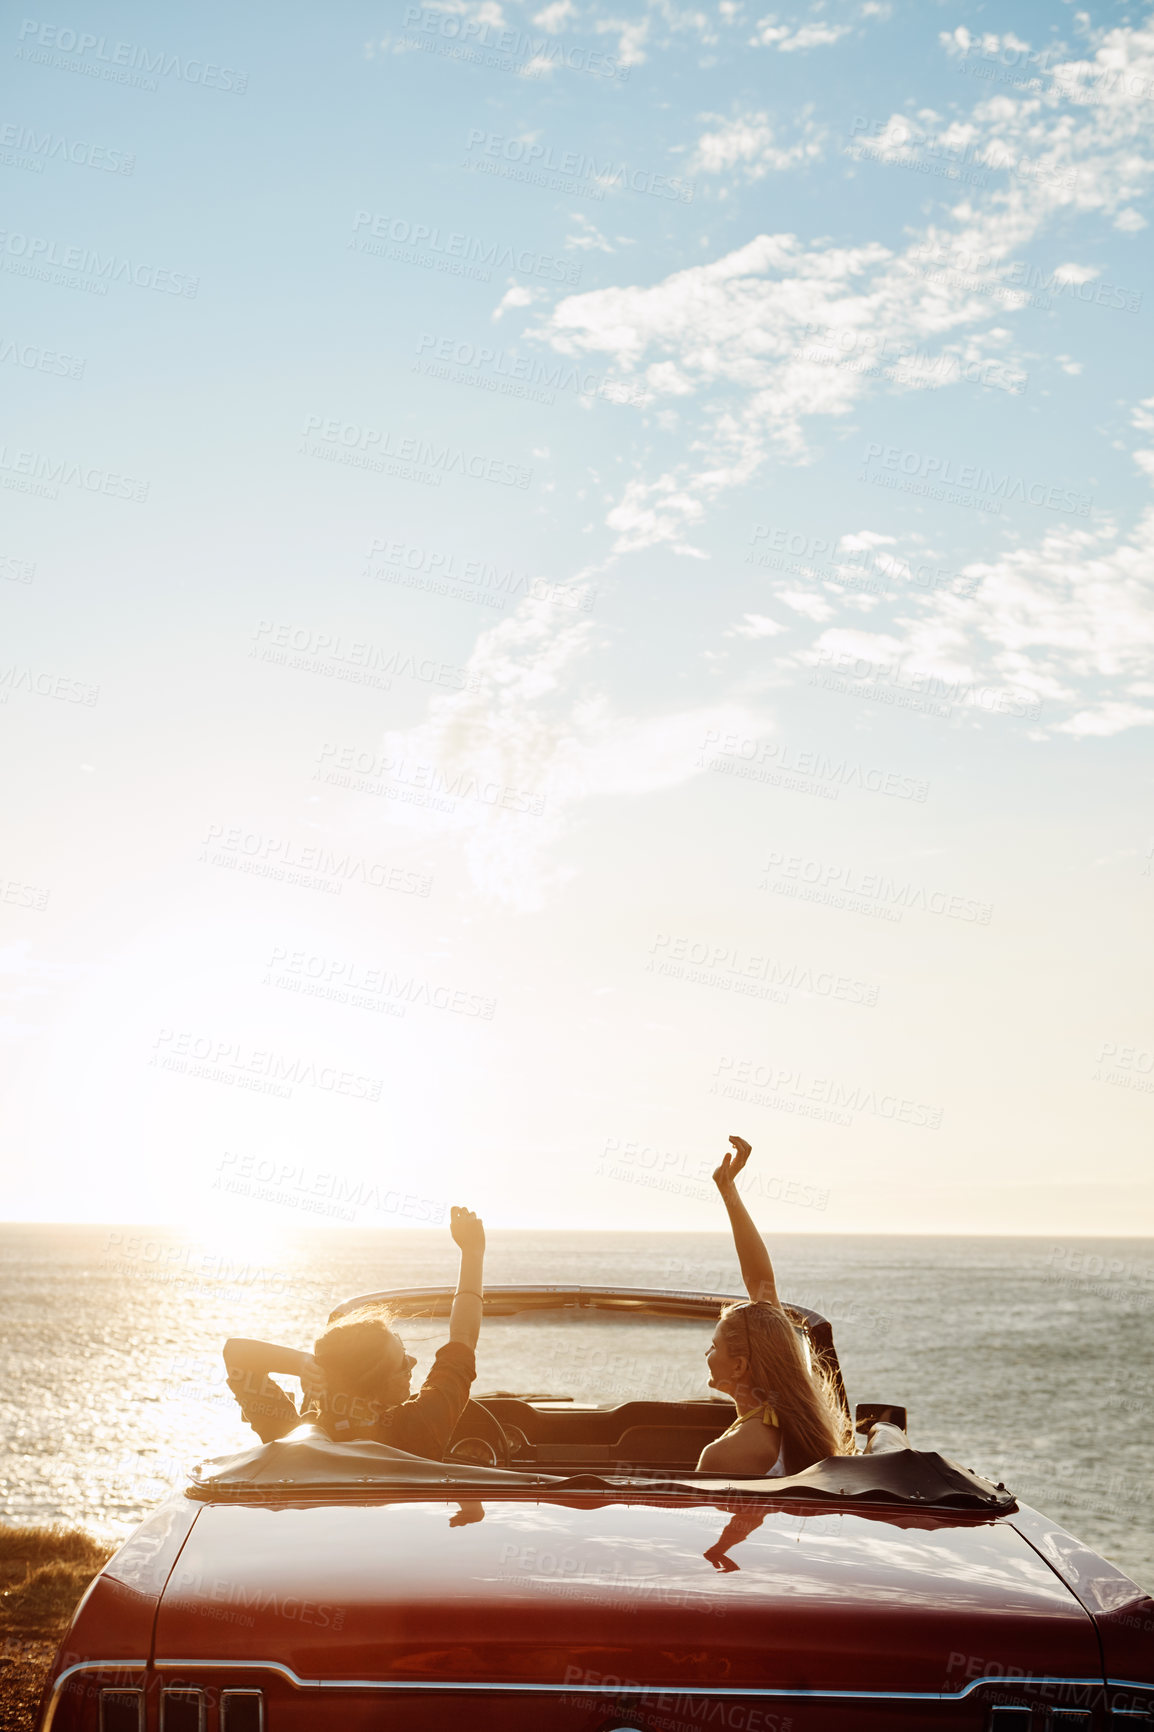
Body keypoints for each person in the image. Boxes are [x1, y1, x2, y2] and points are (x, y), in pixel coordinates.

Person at [222, 1204, 485, 1461]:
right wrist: (473, 1252)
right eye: (403, 1362)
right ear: (375, 1392)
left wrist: (302, 1364)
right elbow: (463, 1337)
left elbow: (236, 1353)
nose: (413, 1361)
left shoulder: (292, 1437)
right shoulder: (420, 1427)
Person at [697, 1138, 851, 1476]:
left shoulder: (726, 1453)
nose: (706, 1353)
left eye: (714, 1346)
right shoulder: (796, 1419)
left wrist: (727, 1190)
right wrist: (727, 1190)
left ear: (738, 1367)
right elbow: (762, 1284)